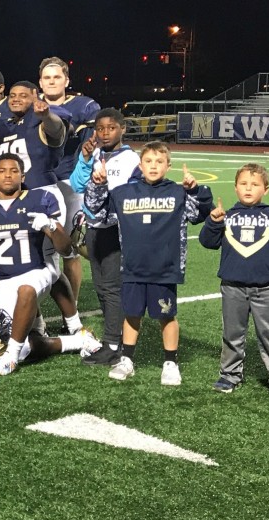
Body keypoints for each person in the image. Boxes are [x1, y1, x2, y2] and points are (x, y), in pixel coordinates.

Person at [86, 142, 213, 386]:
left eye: (159, 161)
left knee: (166, 316)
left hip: (164, 269)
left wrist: (196, 190)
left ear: (168, 166)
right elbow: (97, 214)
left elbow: (199, 214)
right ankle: (127, 359)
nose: (153, 166)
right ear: (140, 165)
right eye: (148, 161)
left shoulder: (178, 193)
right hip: (133, 267)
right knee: (132, 315)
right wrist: (98, 184)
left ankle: (170, 362)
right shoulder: (123, 193)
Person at [0, 153, 100, 376]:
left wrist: (50, 227)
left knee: (26, 293)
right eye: (2, 171)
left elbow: (66, 249)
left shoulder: (41, 199)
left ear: (23, 175)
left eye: (13, 171)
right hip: (4, 280)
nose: (8, 175)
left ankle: (11, 360)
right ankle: (77, 341)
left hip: (39, 271)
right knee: (19, 345)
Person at [199, 163, 269, 401]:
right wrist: (213, 221)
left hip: (268, 288)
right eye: (243, 184)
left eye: (255, 184)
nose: (249, 188)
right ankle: (230, 374)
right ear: (235, 188)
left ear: (265, 189)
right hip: (233, 287)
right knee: (232, 334)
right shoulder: (228, 217)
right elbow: (207, 242)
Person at [70, 109, 141, 365]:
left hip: (115, 228)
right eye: (100, 128)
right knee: (102, 287)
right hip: (94, 227)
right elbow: (77, 185)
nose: (105, 133)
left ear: (122, 128)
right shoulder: (95, 153)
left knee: (112, 288)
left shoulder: (130, 159)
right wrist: (85, 158)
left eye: (111, 128)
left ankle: (114, 345)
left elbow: (125, 195)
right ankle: (115, 339)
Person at [39, 56, 100, 308]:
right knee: (38, 246)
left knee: (70, 250)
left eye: (56, 77)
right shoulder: (30, 104)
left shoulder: (84, 107)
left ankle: (70, 308)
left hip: (69, 183)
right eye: (47, 77)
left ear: (66, 80)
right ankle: (35, 304)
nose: (52, 82)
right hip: (37, 182)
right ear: (40, 83)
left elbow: (97, 140)